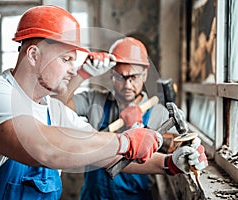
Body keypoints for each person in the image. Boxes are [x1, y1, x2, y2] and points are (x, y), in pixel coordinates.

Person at [0, 5, 207, 200]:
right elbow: (43, 148)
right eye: (67, 59)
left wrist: (170, 163)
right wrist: (125, 140)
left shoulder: (55, 111)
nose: (72, 69)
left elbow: (105, 154)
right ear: (33, 54)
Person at [55, 37, 207, 200]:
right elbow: (57, 105)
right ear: (111, 75)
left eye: (133, 77)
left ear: (145, 74)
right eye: (120, 77)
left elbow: (174, 147)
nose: (127, 85)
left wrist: (191, 152)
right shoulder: (94, 101)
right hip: (94, 195)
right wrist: (82, 74)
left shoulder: (158, 113)